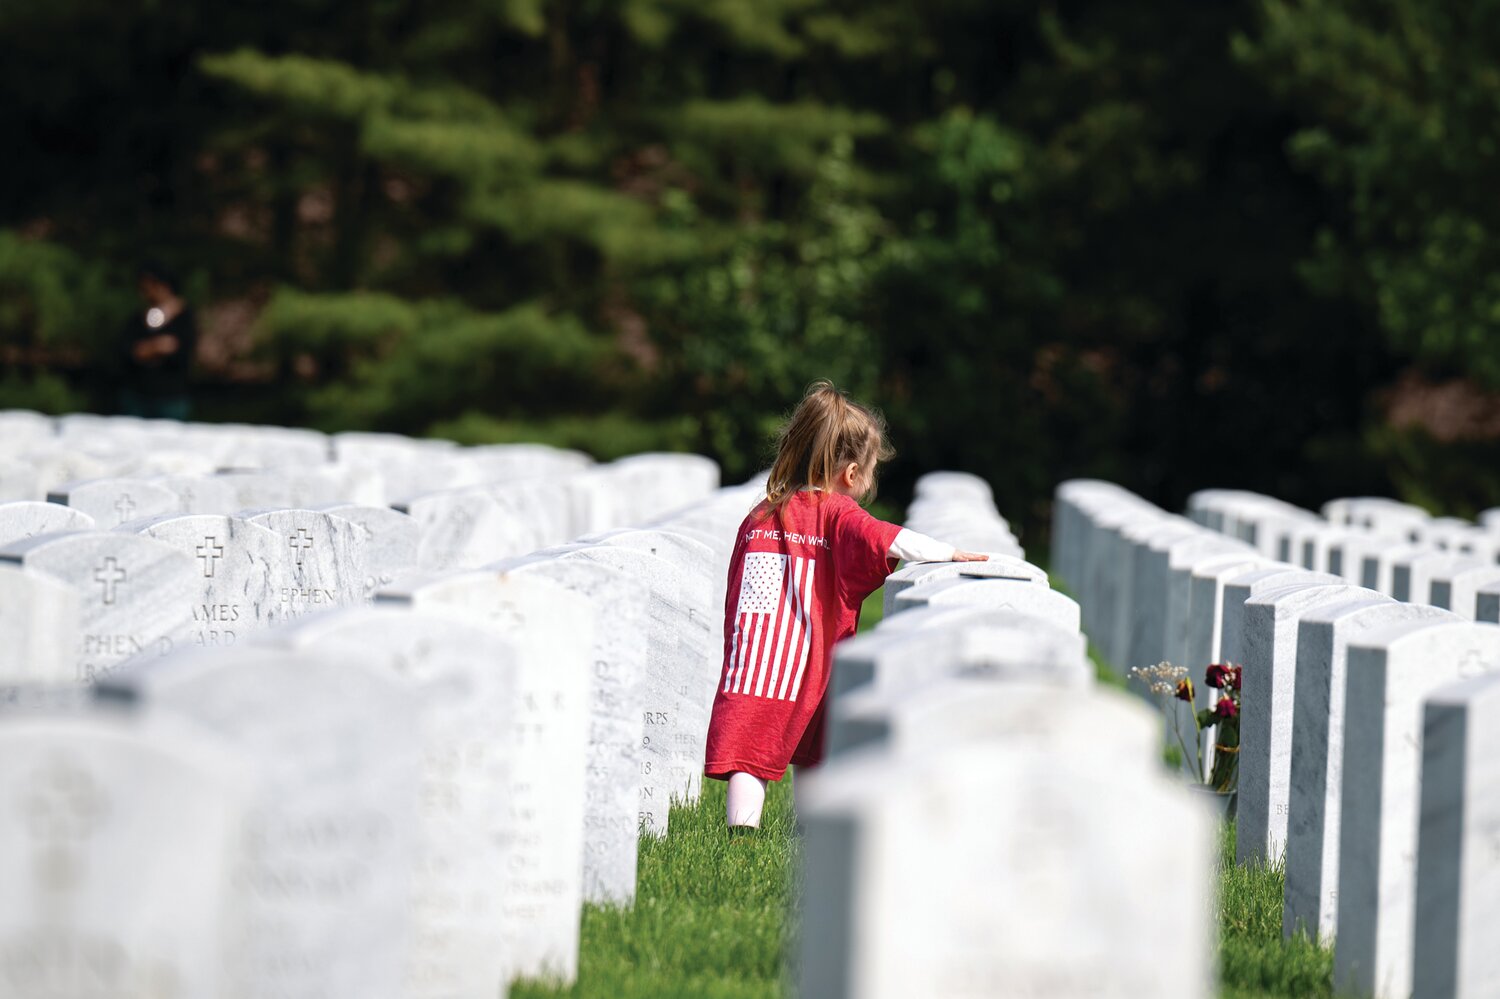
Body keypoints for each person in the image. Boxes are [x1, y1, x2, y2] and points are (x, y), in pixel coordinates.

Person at [703, 380, 988, 829]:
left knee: (749, 747)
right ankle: (808, 828)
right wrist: (949, 552)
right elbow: (887, 539)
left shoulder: (761, 514)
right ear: (852, 474)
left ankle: (741, 831)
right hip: (813, 659)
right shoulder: (838, 512)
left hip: (758, 658)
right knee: (816, 747)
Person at [119, 262, 196, 419]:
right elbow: (128, 351)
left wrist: (153, 349)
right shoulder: (138, 317)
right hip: (138, 395)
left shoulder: (185, 318)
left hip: (171, 398)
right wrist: (155, 347)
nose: (145, 293)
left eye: (149, 287)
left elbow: (181, 351)